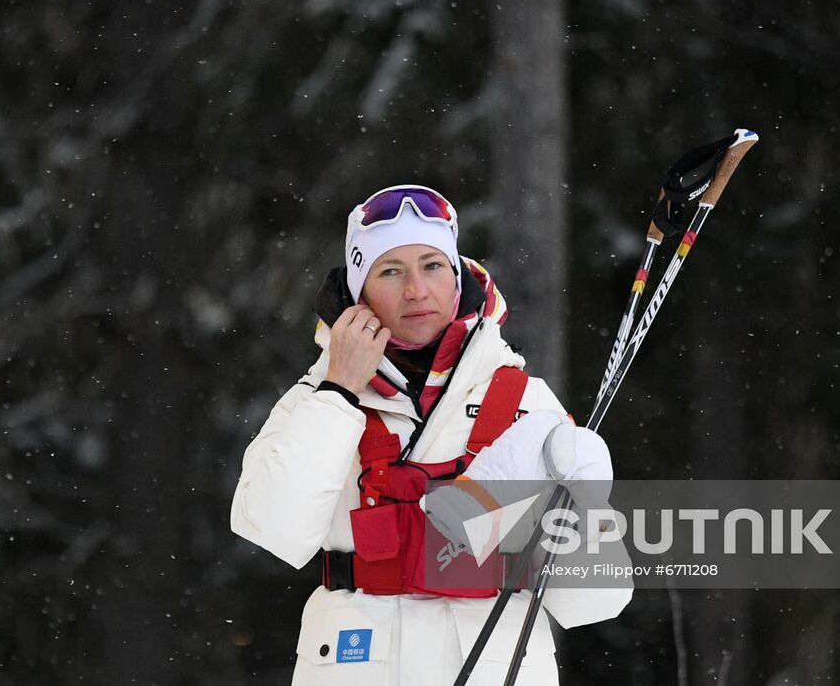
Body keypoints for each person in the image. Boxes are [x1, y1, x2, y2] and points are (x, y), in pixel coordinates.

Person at [232, 185, 631, 685]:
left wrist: (587, 504)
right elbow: (272, 530)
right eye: (391, 271)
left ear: (458, 273)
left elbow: (595, 599)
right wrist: (340, 391)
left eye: (432, 265)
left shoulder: (525, 402)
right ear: (360, 291)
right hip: (357, 664)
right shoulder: (316, 395)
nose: (416, 290)